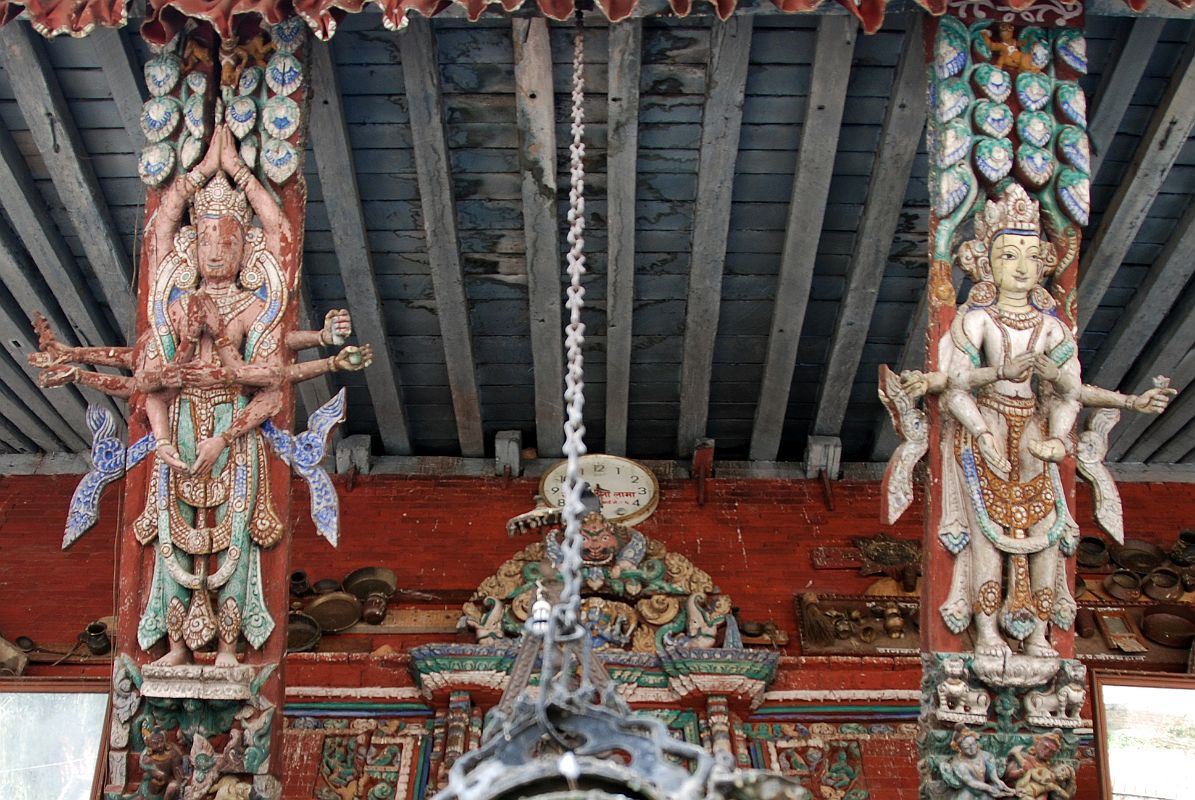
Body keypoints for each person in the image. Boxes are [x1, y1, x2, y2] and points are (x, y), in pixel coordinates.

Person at [30, 125, 372, 667]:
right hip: (182, 430)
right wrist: (85, 373)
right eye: (207, 238)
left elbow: (271, 380)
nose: (215, 249)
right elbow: (148, 376)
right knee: (173, 535)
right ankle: (178, 644)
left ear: (245, 247)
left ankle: (232, 647)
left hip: (233, 437)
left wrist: (237, 172)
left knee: (233, 537)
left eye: (228, 239)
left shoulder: (253, 310)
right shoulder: (174, 306)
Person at [901, 185, 1174, 657]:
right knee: (988, 534)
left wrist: (1118, 409)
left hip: (1033, 438)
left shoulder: (1052, 327)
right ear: (986, 262)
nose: (1022, 266)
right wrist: (986, 419)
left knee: (1047, 534)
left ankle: (1037, 633)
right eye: (1008, 255)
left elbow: (1071, 391)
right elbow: (955, 383)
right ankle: (987, 631)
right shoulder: (977, 320)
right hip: (984, 429)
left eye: (1031, 255)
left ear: (1045, 261)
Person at [940, 727, 1016, 799]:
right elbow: (971, 782)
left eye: (974, 744)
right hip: (969, 792)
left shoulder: (986, 756)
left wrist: (1008, 789)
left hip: (985, 792)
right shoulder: (959, 764)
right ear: (959, 749)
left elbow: (995, 778)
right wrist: (989, 788)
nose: (972, 749)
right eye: (966, 747)